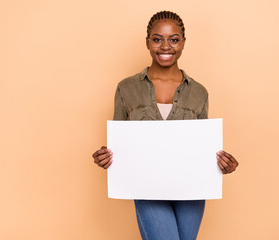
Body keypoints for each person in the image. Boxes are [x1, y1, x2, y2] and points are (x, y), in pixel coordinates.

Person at [92, 10, 239, 240]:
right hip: (146, 186)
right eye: (157, 39)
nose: (165, 46)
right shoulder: (126, 88)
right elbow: (118, 143)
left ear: (183, 42)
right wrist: (106, 156)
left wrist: (223, 163)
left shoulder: (199, 92)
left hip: (192, 188)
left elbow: (202, 144)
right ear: (148, 42)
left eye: (174, 39)